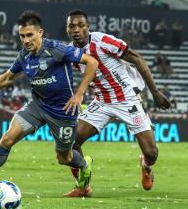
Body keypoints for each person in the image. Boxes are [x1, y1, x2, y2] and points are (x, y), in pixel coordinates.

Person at [0, 11, 99, 198]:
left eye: (29, 35)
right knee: (7, 139)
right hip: (37, 106)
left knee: (64, 158)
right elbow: (8, 77)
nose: (25, 40)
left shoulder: (57, 49)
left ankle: (84, 164)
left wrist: (79, 94)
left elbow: (92, 62)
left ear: (40, 32)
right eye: (22, 36)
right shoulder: (24, 56)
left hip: (63, 111)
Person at [64, 10, 171, 197]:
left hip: (127, 99)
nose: (76, 30)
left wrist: (155, 92)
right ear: (67, 29)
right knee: (70, 142)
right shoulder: (69, 52)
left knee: (152, 153)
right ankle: (83, 186)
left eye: (81, 25)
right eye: (72, 26)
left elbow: (136, 58)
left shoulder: (103, 41)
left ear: (88, 27)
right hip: (102, 102)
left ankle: (145, 165)